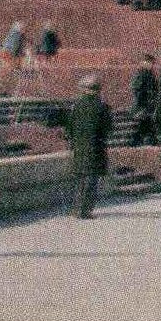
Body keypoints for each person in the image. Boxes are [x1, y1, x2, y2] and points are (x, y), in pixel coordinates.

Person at [67, 74, 112, 219]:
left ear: (84, 90)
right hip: (96, 148)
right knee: (91, 180)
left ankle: (76, 208)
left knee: (81, 179)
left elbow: (69, 128)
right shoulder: (103, 107)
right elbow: (108, 128)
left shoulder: (76, 106)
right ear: (98, 90)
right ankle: (85, 210)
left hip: (79, 147)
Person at [130, 54, 161, 146]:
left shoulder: (150, 75)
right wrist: (141, 108)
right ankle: (135, 145)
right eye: (148, 63)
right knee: (142, 128)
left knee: (146, 127)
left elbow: (155, 90)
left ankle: (141, 144)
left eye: (152, 63)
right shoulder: (141, 74)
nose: (151, 65)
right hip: (143, 107)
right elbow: (137, 92)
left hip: (149, 106)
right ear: (143, 63)